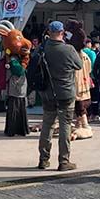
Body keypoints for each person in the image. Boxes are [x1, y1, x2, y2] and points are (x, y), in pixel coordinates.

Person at [37, 21, 82, 171]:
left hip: (47, 93)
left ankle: (43, 159)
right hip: (66, 92)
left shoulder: (42, 48)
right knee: (65, 126)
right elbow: (79, 65)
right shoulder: (68, 49)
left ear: (48, 32)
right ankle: (64, 161)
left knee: (47, 125)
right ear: (62, 32)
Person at [4, 46, 30, 137]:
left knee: (20, 107)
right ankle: (13, 129)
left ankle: (20, 129)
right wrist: (25, 59)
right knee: (15, 108)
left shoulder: (17, 57)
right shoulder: (13, 59)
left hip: (20, 86)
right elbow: (20, 70)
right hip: (15, 87)